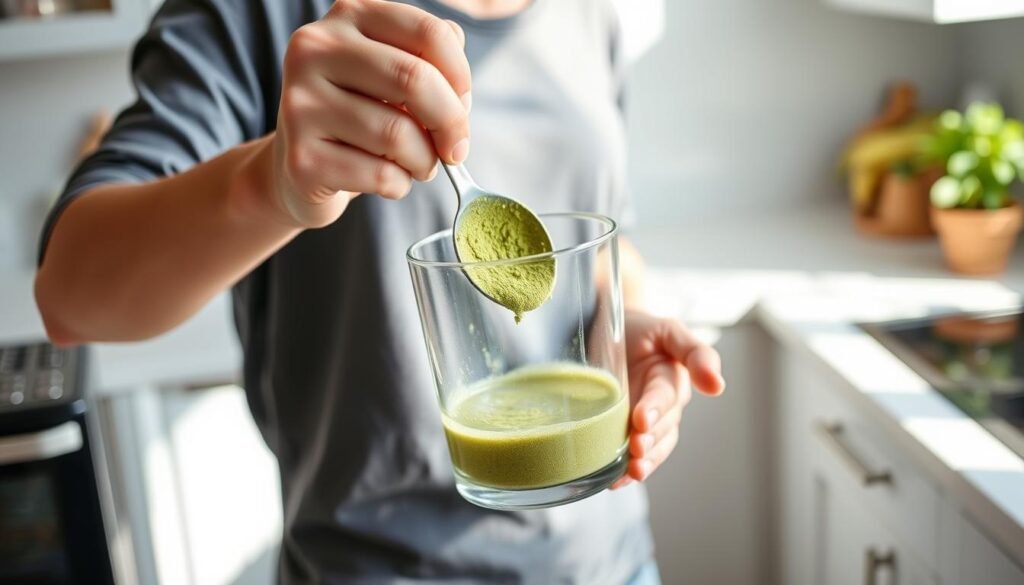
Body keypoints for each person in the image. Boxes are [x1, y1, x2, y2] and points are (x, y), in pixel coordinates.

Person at [34, 0, 725, 583]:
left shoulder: (585, 13)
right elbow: (70, 295)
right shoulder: (257, 14)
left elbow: (604, 245)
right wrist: (273, 183)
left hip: (610, 561)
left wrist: (625, 319)